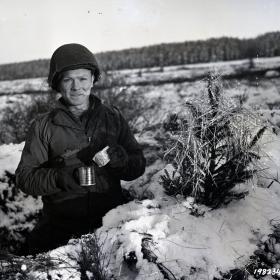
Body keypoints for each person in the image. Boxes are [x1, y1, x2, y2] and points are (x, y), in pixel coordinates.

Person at [15, 43, 146, 254]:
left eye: (83, 78)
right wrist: (63, 179)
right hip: (60, 233)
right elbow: (25, 178)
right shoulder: (43, 126)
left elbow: (137, 165)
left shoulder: (112, 117)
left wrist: (122, 161)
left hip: (109, 229)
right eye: (68, 79)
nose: (76, 87)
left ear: (93, 79)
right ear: (57, 84)